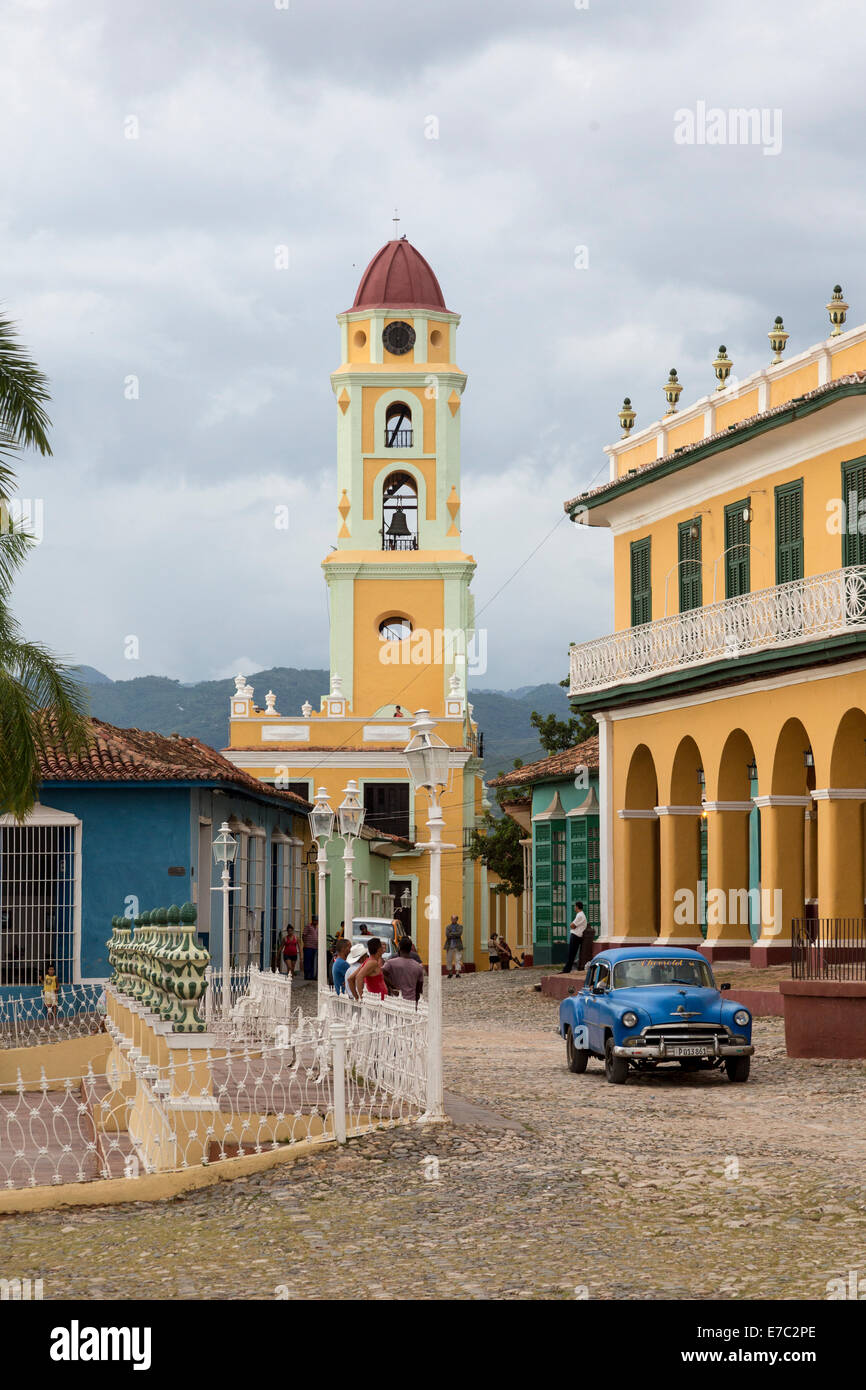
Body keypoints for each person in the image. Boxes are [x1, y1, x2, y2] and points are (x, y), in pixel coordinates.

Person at [383, 936, 425, 1004]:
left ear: (399, 947)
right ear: (411, 948)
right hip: (411, 1001)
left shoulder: (390, 963)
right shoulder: (418, 967)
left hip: (394, 1000)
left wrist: (392, 986)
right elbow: (419, 988)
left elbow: (381, 974)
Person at [561, 901, 591, 974]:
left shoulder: (580, 915)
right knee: (571, 953)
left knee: (571, 953)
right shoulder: (581, 915)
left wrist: (572, 926)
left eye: (575, 906)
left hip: (576, 936)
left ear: (577, 907)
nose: (574, 908)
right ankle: (567, 969)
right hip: (576, 936)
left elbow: (572, 925)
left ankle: (567, 969)